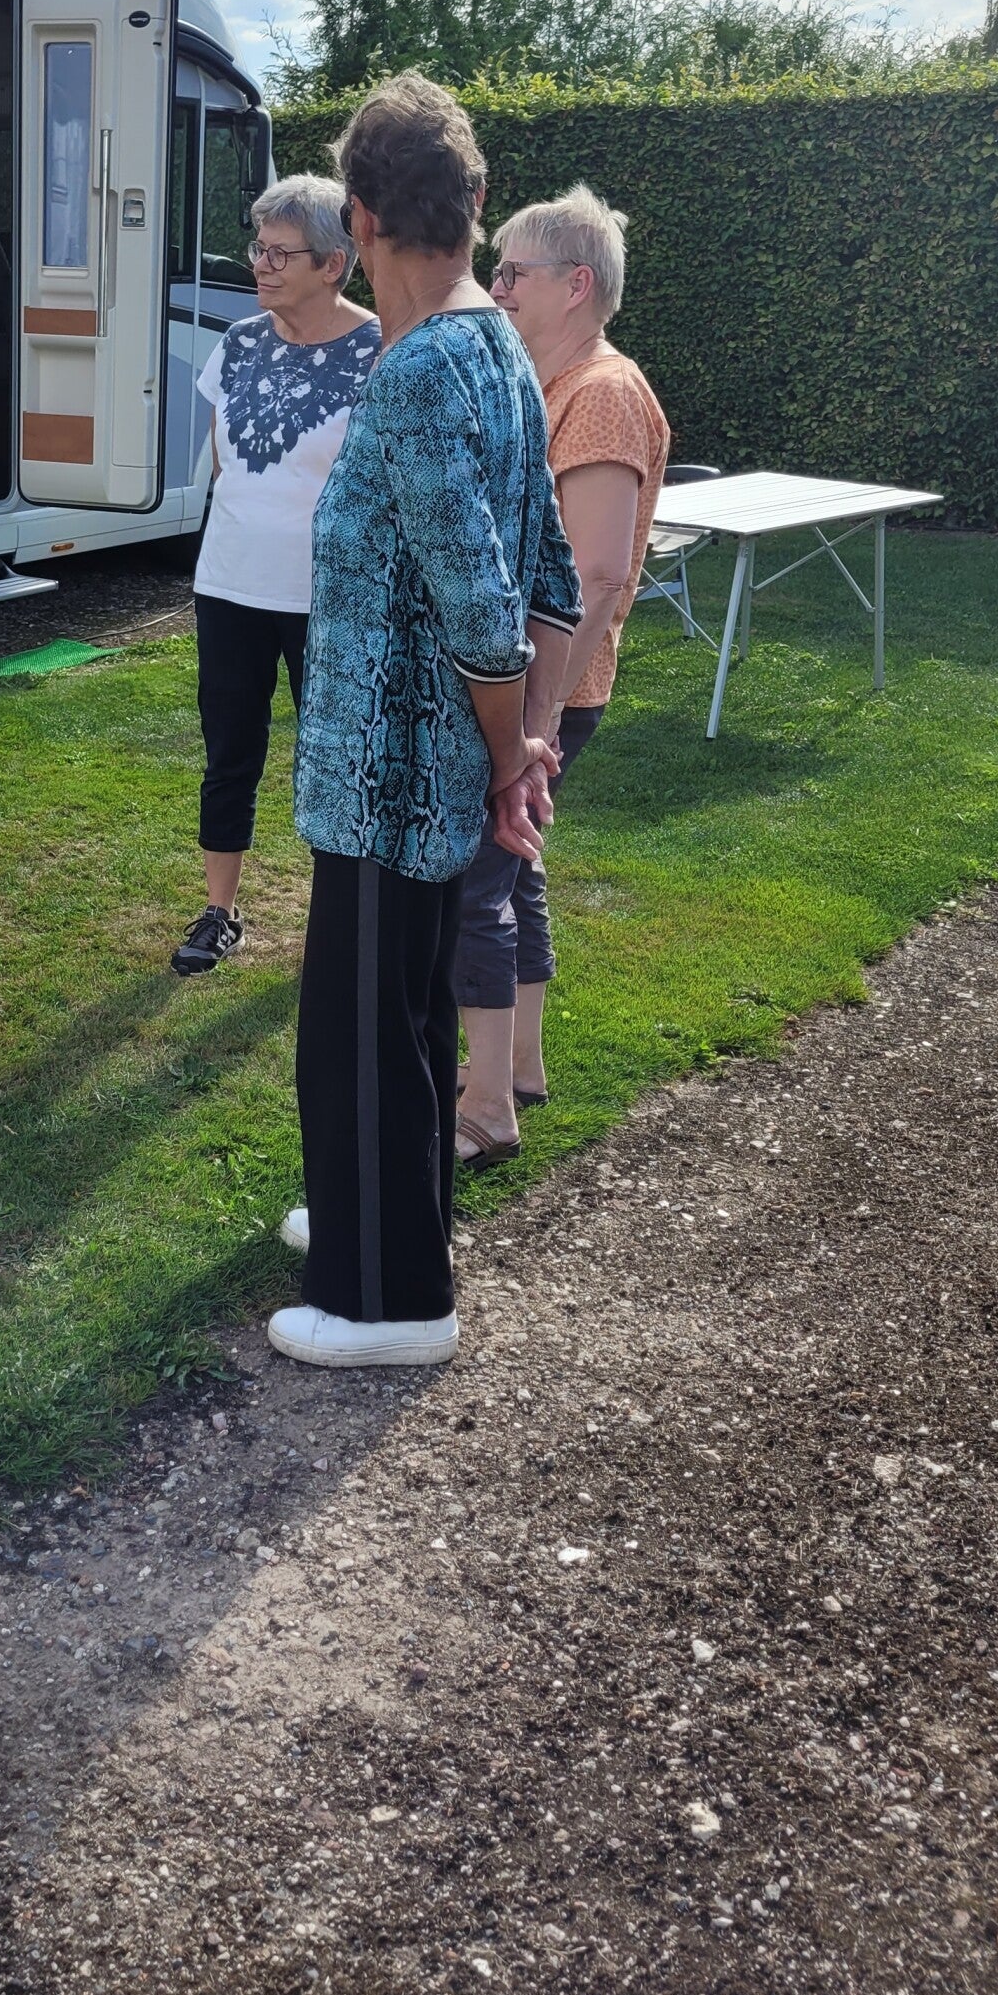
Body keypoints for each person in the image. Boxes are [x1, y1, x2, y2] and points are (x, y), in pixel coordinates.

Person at [266, 75, 581, 1371]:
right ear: (476, 201)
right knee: (401, 1020)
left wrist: (512, 760)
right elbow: (549, 576)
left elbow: (485, 605)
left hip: (389, 781)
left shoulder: (417, 372)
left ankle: (390, 1303)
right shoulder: (496, 346)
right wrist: (527, 746)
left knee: (362, 1036)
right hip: (425, 778)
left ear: (357, 217)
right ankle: (376, 1219)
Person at [451, 185, 671, 1166]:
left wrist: (531, 721)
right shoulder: (549, 383)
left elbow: (598, 570)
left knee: (473, 884)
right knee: (514, 869)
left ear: (575, 285)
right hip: (523, 685)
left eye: (513, 273)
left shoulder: (603, 393)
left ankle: (485, 1107)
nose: (495, 288)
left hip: (544, 693)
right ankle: (521, 1068)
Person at [172, 174, 380, 975]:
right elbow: (226, 461)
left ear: (333, 264)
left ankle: (342, 924)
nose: (259, 264)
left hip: (330, 598)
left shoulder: (380, 351)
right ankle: (219, 911)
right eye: (258, 247)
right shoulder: (237, 343)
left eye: (279, 253)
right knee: (230, 752)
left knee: (337, 763)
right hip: (230, 586)